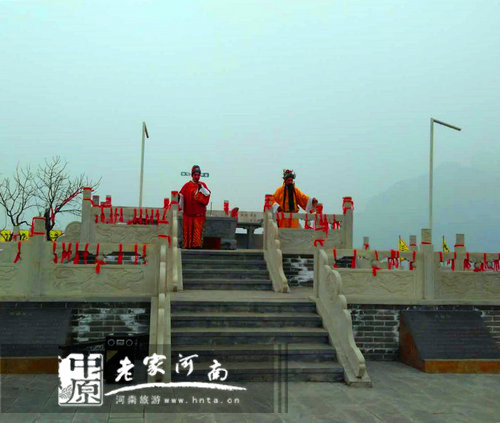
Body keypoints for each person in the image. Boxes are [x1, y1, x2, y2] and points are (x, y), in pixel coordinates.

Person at [179, 165, 211, 248]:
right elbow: (180, 198)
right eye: (195, 175)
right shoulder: (186, 186)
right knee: (188, 233)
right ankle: (188, 246)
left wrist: (200, 192)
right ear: (192, 175)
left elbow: (207, 196)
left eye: (198, 175)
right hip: (188, 215)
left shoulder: (203, 185)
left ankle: (197, 246)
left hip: (199, 216)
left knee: (197, 233)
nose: (197, 177)